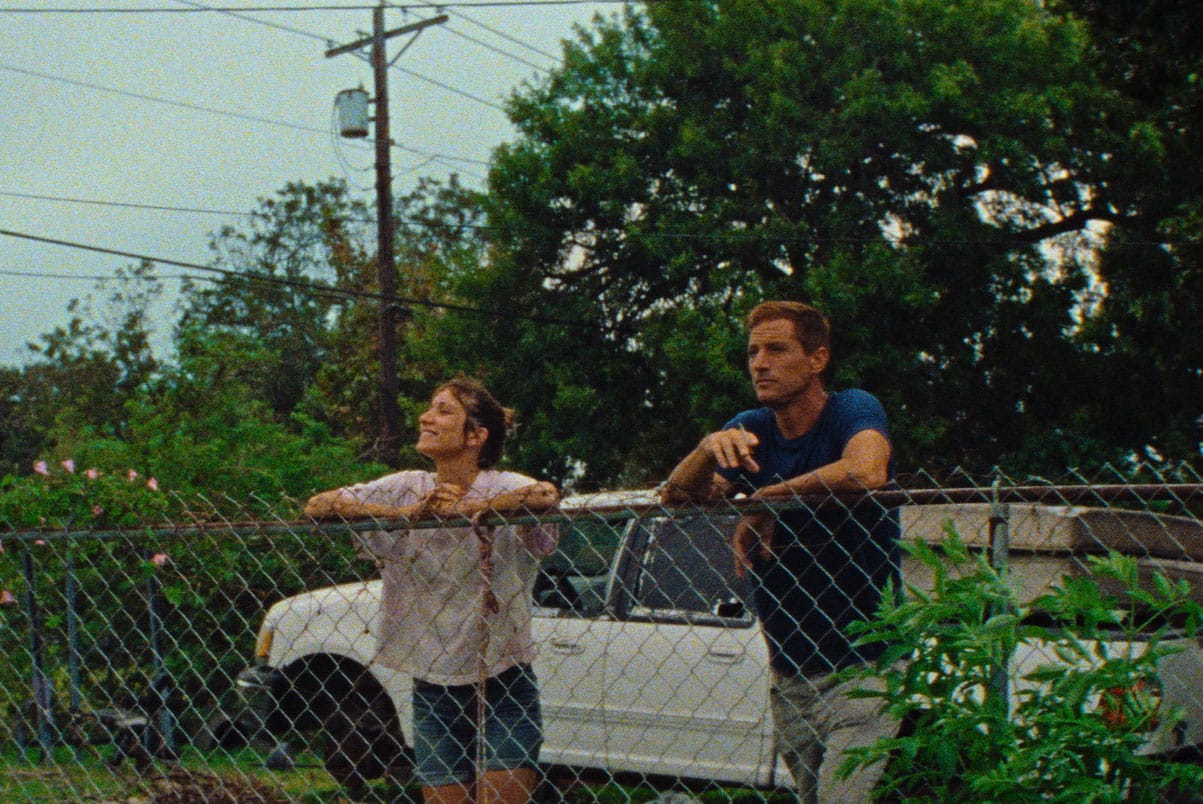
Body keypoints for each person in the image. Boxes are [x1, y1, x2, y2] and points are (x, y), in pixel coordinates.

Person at [661, 301, 900, 803]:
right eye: (752, 352)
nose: (759, 363)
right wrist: (707, 449)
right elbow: (679, 497)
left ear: (816, 359)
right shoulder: (751, 427)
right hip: (790, 668)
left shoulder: (851, 408)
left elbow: (866, 470)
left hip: (864, 665)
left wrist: (768, 498)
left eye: (776, 349)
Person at [305, 377, 559, 804]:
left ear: (475, 436)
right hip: (433, 684)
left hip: (502, 676)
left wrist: (470, 510)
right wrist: (406, 514)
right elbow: (319, 505)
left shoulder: (503, 485)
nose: (426, 416)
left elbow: (546, 494)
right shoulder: (408, 486)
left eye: (443, 410)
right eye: (430, 407)